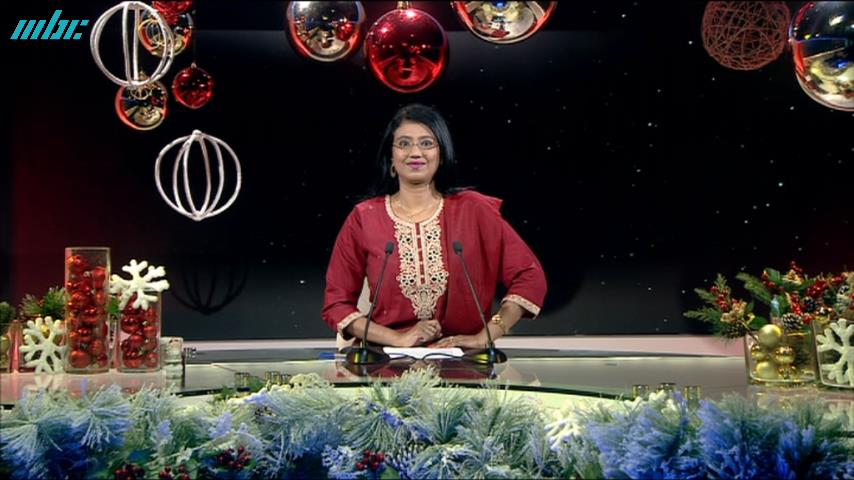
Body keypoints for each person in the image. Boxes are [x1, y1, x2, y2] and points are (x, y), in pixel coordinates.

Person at [322, 104, 546, 349]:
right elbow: (337, 304)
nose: (415, 152)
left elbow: (529, 276)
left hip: (464, 361)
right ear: (391, 158)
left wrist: (486, 335)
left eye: (427, 143)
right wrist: (398, 338)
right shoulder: (364, 217)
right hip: (384, 360)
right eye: (404, 143)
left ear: (441, 154)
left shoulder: (474, 211)